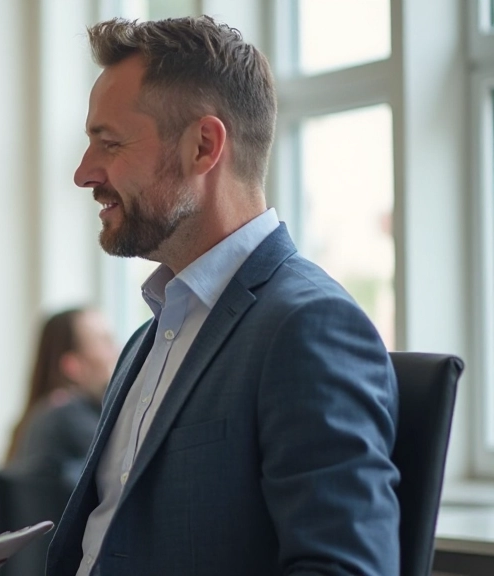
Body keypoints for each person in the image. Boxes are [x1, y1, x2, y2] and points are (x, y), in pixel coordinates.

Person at [45, 16, 399, 576]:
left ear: (204, 146)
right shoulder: (147, 340)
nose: (84, 173)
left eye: (109, 143)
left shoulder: (311, 326)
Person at [4, 308, 118, 483]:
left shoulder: (44, 413)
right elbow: (124, 460)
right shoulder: (67, 415)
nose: (118, 350)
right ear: (72, 365)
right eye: (105, 341)